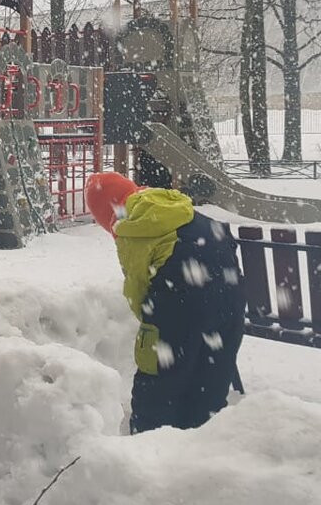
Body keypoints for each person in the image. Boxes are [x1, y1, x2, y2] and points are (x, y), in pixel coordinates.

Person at [85, 171, 244, 434]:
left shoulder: (133, 229)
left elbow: (138, 290)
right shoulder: (175, 204)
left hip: (180, 299)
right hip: (230, 294)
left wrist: (151, 327)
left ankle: (150, 443)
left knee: (159, 379)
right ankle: (206, 437)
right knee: (212, 372)